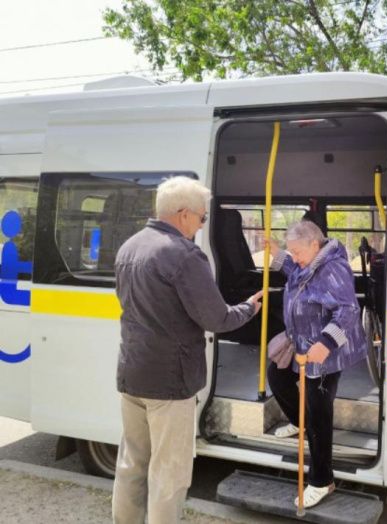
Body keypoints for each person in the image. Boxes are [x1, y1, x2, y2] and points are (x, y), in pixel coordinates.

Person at [112, 176, 262, 524]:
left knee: (131, 463)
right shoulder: (184, 254)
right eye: (202, 217)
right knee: (170, 473)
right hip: (170, 382)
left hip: (132, 372)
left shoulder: (129, 247)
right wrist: (249, 308)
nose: (201, 225)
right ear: (183, 215)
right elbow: (216, 318)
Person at [267, 221, 367, 508]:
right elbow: (295, 271)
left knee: (319, 414)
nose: (294, 257)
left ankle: (322, 480)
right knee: (278, 376)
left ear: (314, 244)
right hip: (300, 344)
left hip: (325, 352)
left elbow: (348, 311)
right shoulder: (309, 261)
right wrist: (277, 254)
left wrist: (326, 342)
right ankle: (300, 422)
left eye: (297, 251)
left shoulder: (333, 268)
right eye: (292, 252)